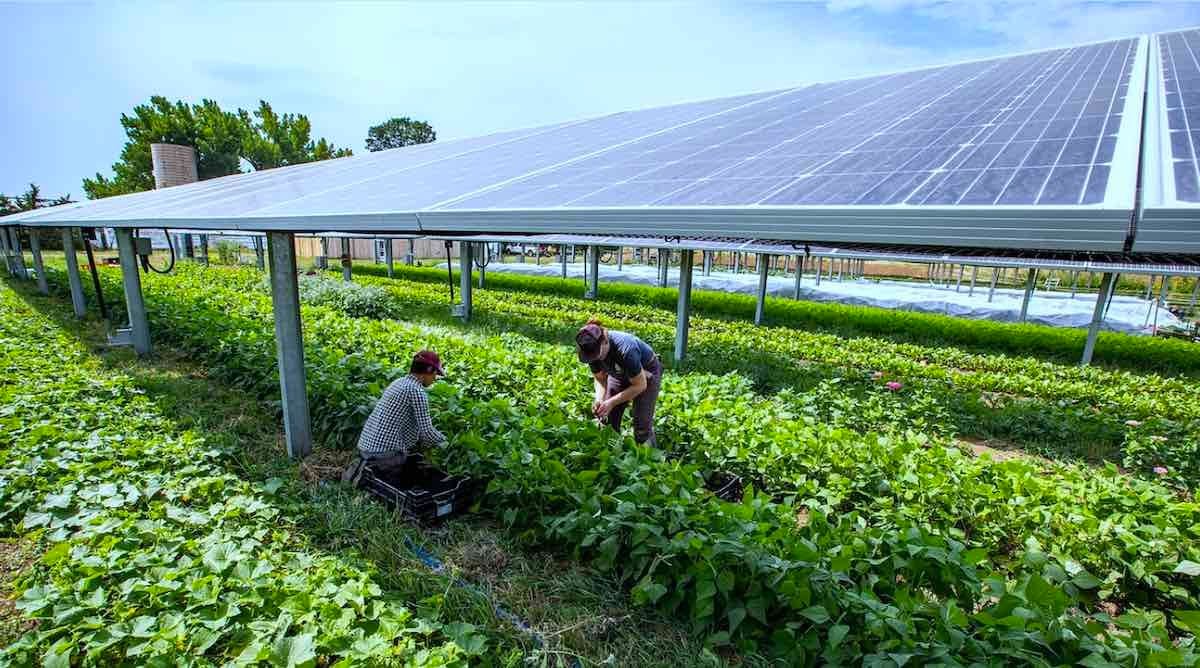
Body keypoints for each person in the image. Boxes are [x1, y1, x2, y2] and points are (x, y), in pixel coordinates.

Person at [342, 350, 447, 485]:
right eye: (435, 374)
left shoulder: (399, 382)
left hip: (365, 448)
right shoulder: (417, 391)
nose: (435, 378)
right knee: (407, 470)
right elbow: (427, 432)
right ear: (427, 371)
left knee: (407, 453)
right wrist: (446, 444)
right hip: (383, 454)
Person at [575, 319, 662, 446]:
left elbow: (640, 385)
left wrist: (611, 402)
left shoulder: (626, 349)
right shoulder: (591, 349)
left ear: (605, 342)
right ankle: (611, 454)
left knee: (642, 426)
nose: (595, 359)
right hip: (618, 372)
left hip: (646, 374)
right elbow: (600, 379)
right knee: (608, 419)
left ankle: (651, 461)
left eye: (597, 356)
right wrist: (600, 399)